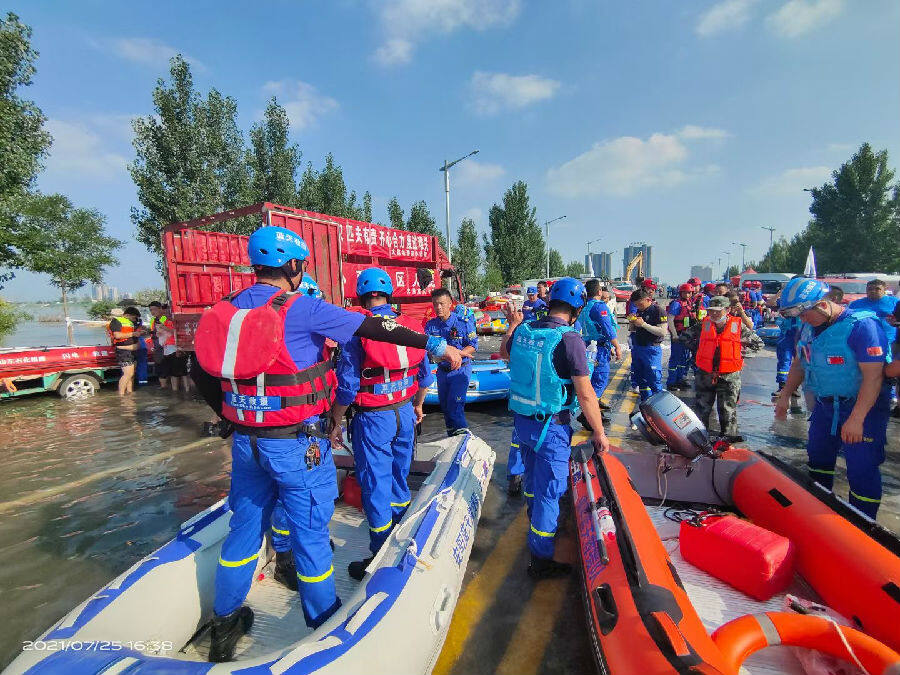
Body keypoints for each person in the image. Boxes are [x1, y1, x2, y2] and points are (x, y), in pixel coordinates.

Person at [193, 226, 461, 661]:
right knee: (312, 534)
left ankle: (224, 624)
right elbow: (377, 326)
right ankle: (324, 625)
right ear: (294, 267)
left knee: (243, 531)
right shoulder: (305, 309)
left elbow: (200, 369)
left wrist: (228, 417)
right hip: (296, 445)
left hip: (246, 444)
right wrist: (434, 343)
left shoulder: (221, 310)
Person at [500, 278, 610, 579]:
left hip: (523, 423)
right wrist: (599, 433)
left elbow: (505, 353)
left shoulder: (524, 330)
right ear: (577, 309)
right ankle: (541, 559)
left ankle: (534, 522)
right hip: (552, 427)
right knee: (551, 492)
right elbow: (586, 394)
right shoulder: (570, 339)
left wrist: (513, 324)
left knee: (535, 485)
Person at [330, 267, 433, 580]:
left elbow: (347, 385)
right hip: (404, 412)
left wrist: (336, 418)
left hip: (374, 418)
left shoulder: (358, 329)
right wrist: (417, 406)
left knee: (376, 485)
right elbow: (425, 374)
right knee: (399, 477)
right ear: (389, 293)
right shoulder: (411, 326)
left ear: (361, 295)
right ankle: (404, 532)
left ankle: (380, 555)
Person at [775, 278, 890, 519]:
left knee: (862, 468)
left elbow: (874, 377)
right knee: (818, 458)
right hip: (825, 406)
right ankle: (821, 515)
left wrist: (857, 419)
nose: (802, 320)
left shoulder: (862, 327)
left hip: (862, 408)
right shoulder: (807, 327)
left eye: (805, 314)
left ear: (823, 306)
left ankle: (862, 523)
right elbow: (799, 363)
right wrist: (785, 395)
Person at [681, 296, 762, 442]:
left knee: (727, 409)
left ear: (728, 310)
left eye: (718, 311)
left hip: (729, 375)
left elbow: (758, 343)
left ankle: (728, 438)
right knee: (702, 407)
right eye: (711, 311)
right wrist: (700, 350)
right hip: (705, 374)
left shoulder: (738, 326)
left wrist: (738, 354)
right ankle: (700, 436)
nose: (714, 314)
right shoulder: (703, 325)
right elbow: (684, 338)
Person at [425, 288, 477, 436]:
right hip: (442, 371)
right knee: (446, 407)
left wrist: (459, 356)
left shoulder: (462, 323)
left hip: (460, 370)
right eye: (435, 304)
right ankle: (451, 437)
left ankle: (463, 440)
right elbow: (428, 347)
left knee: (456, 404)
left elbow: (473, 345)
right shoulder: (431, 326)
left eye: (442, 304)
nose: (438, 307)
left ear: (450, 304)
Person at [580, 279, 622, 421]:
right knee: (600, 379)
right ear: (599, 291)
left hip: (588, 346)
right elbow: (608, 329)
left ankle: (593, 409)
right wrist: (616, 346)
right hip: (598, 348)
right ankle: (588, 415)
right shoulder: (599, 307)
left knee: (592, 379)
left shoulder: (584, 306)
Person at [627, 288, 666, 401]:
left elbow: (662, 332)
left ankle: (658, 403)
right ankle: (646, 402)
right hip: (639, 347)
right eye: (636, 305)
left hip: (651, 348)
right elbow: (633, 329)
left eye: (640, 304)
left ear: (647, 299)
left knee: (653, 378)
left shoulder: (658, 311)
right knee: (640, 378)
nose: (638, 307)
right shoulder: (640, 311)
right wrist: (633, 323)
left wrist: (643, 324)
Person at [108, 307, 144, 396]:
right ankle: (121, 395)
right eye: (134, 318)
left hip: (132, 351)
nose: (135, 320)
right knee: (128, 374)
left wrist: (139, 333)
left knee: (131, 374)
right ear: (127, 315)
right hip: (123, 351)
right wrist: (133, 334)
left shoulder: (131, 322)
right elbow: (117, 335)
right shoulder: (117, 321)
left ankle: (130, 392)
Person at [666, 283, 695, 391]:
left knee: (684, 359)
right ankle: (672, 382)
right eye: (685, 292)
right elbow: (670, 320)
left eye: (689, 293)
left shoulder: (688, 303)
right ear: (681, 293)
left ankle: (680, 379)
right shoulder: (676, 304)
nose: (687, 295)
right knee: (675, 359)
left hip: (687, 336)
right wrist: (674, 334)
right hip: (678, 335)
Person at [148, 302, 170, 388]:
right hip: (157, 347)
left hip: (166, 346)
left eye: (154, 309)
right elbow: (153, 333)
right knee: (160, 368)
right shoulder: (153, 320)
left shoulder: (166, 318)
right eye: (150, 310)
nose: (152, 312)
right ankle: (163, 387)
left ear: (160, 308)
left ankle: (165, 387)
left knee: (165, 368)